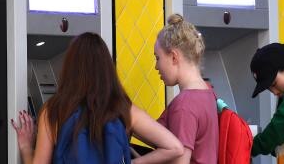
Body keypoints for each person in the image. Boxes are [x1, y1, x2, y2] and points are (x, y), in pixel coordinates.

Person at [11, 32, 184, 164]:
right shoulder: (123, 109)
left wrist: (26, 146)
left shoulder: (52, 111)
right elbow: (174, 147)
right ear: (107, 69)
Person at [154, 14, 219, 164]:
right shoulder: (208, 93)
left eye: (157, 58)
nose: (156, 66)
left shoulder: (185, 105)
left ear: (174, 57)